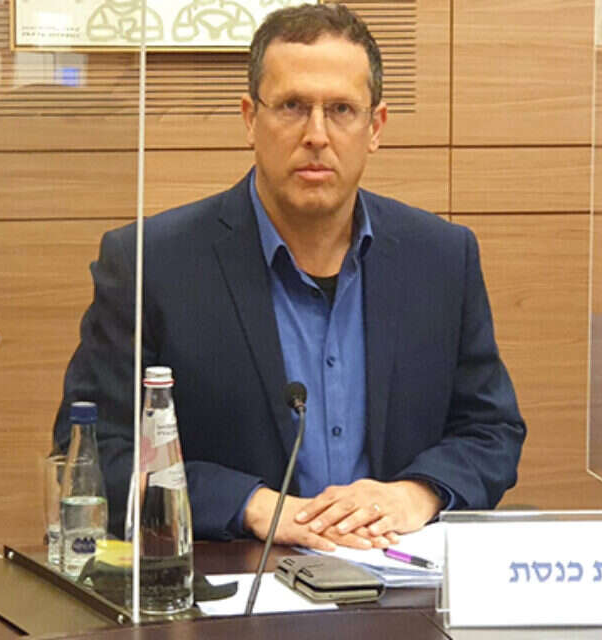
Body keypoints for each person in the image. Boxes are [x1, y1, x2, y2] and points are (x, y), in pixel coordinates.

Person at [54, 2, 525, 551]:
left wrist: (415, 495)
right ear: (250, 119)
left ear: (375, 127)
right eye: (292, 107)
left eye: (341, 110)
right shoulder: (150, 262)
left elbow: (491, 431)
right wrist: (252, 507)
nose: (316, 134)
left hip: (399, 577)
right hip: (238, 580)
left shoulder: (441, 257)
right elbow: (92, 455)